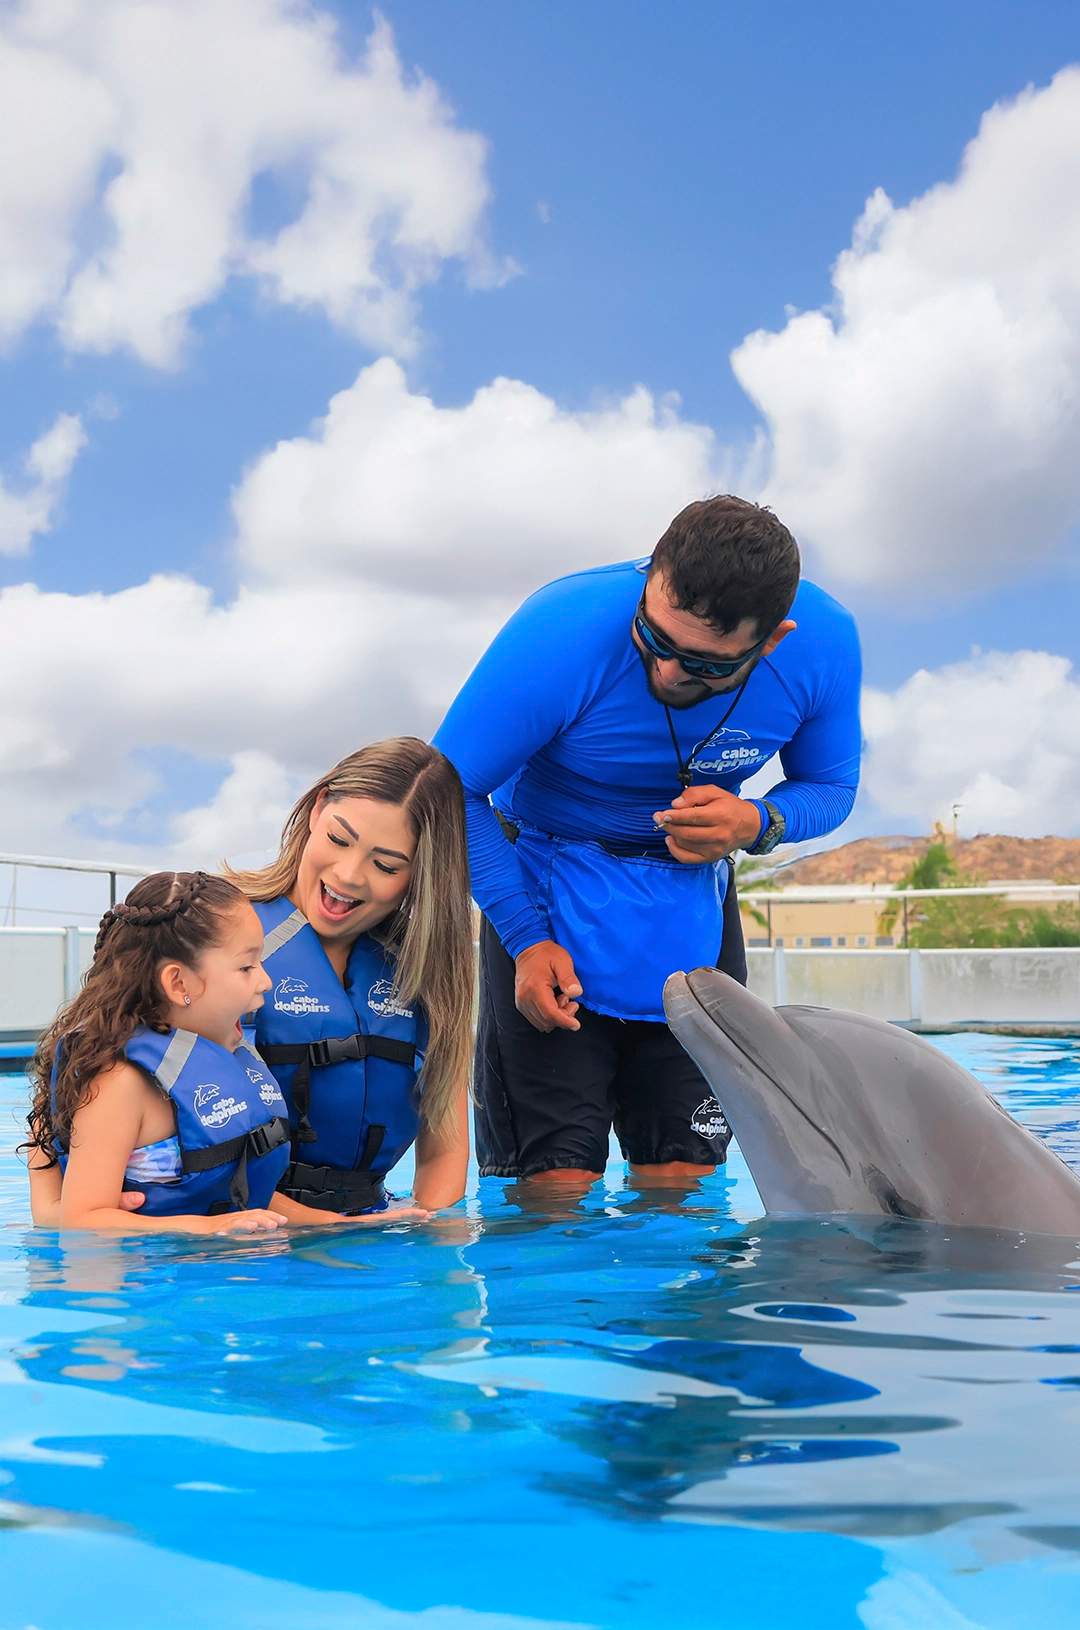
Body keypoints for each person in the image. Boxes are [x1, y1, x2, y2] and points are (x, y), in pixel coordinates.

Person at [434, 494, 862, 1192]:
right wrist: (524, 938)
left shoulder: (823, 645)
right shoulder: (563, 626)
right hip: (546, 897)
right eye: (653, 640)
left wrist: (756, 823)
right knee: (552, 1188)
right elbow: (448, 788)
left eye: (704, 665)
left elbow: (831, 786)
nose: (667, 673)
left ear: (773, 639)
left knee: (683, 1180)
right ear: (649, 584)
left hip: (689, 913)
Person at [25, 871, 428, 1232]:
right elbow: (84, 1220)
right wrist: (207, 1229)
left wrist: (349, 1226)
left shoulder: (224, 1059)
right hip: (148, 1296)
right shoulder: (121, 1084)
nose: (266, 981)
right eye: (246, 967)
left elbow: (247, 1199)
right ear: (179, 983)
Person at [225, 738, 474, 1215]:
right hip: (241, 1239)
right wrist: (327, 1234)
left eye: (386, 865)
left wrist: (435, 1251)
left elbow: (444, 1155)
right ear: (318, 810)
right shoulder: (212, 935)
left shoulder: (426, 975)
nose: (348, 875)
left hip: (367, 1231)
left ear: (422, 874)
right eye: (339, 839)